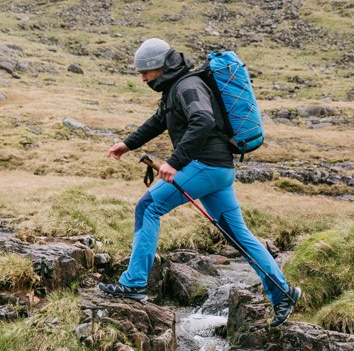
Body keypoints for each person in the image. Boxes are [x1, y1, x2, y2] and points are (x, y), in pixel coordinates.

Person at [102, 38, 301, 327]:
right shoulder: (176, 89)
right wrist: (127, 144)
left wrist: (175, 162)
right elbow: (159, 121)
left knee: (148, 207)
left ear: (161, 66)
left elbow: (204, 120)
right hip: (218, 172)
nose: (143, 78)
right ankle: (283, 292)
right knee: (239, 236)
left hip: (205, 166)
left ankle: (134, 283)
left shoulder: (188, 86)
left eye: (146, 72)